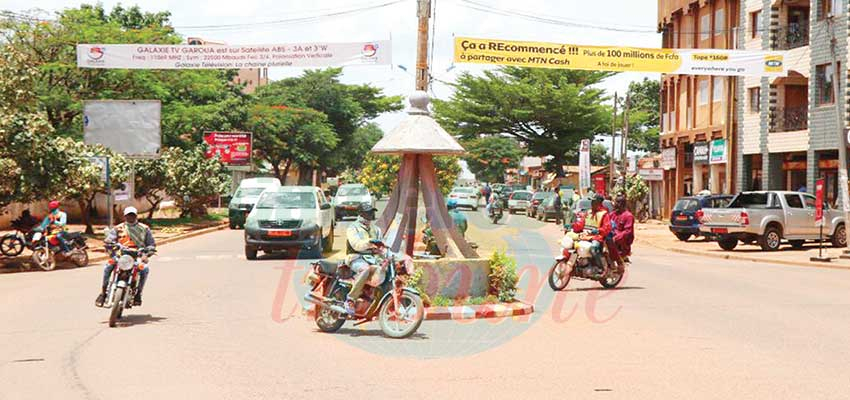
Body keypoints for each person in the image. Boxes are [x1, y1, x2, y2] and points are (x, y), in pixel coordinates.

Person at [95, 207, 155, 307]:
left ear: (136, 216)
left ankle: (138, 294)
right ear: (125, 216)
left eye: (132, 215)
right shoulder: (118, 228)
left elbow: (151, 244)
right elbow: (109, 240)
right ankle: (103, 293)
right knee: (107, 267)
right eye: (128, 215)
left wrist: (147, 253)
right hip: (121, 255)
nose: (130, 217)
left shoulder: (144, 228)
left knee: (144, 269)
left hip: (137, 255)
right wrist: (109, 243)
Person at [344, 203, 384, 315]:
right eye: (368, 212)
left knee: (386, 270)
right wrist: (369, 243)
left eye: (372, 212)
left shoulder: (376, 229)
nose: (370, 215)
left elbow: (381, 246)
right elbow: (356, 245)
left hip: (372, 258)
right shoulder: (353, 228)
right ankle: (350, 299)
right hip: (355, 257)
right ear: (360, 213)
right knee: (365, 269)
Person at [584, 194, 612, 270]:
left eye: (594, 201)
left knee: (593, 249)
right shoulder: (588, 212)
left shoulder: (604, 213)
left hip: (597, 237)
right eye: (592, 201)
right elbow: (582, 222)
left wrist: (598, 230)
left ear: (599, 203)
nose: (592, 203)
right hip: (585, 235)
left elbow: (607, 227)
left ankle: (600, 267)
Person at [612, 195, 635, 261]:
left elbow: (628, 231)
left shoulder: (628, 216)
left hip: (621, 245)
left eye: (616, 202)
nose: (614, 204)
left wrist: (615, 238)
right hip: (610, 242)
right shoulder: (613, 214)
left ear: (620, 204)